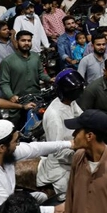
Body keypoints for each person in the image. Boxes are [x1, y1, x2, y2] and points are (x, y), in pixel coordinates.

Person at [37, 70, 85, 206]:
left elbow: (82, 117)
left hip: (75, 151)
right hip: (61, 166)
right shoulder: (54, 116)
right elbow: (57, 150)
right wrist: (79, 153)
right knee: (70, 202)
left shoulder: (70, 102)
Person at [0, 31, 52, 117]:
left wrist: (49, 79)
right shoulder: (7, 61)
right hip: (18, 101)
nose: (26, 43)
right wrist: (11, 96)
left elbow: (41, 73)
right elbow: (4, 83)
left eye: (29, 40)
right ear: (17, 42)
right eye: (23, 40)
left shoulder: (35, 57)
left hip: (36, 98)